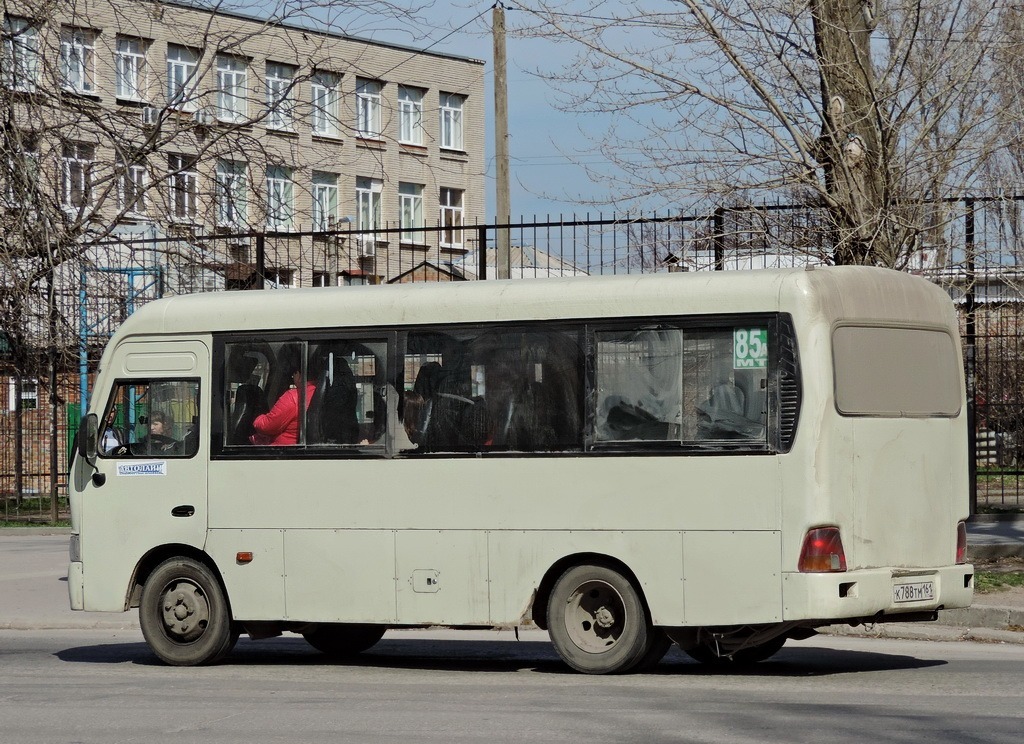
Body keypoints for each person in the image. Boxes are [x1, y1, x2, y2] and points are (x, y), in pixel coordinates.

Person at [251, 364, 316, 446]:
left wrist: (256, 419)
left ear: (298, 374)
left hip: (281, 452)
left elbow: (268, 427)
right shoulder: (319, 393)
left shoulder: (294, 396)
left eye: (293, 375)